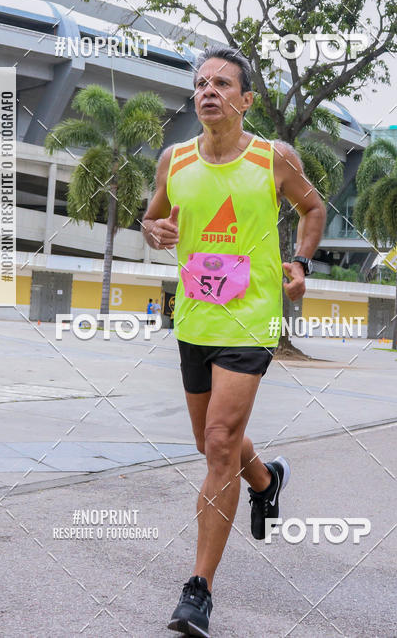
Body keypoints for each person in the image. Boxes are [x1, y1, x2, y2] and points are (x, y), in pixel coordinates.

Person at [142, 46, 326, 637]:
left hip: (251, 317)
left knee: (220, 441)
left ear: (246, 100)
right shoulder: (174, 160)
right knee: (208, 441)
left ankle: (197, 590)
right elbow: (152, 220)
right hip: (194, 319)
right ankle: (266, 481)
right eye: (201, 83)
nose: (208, 91)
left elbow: (313, 206)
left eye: (223, 83)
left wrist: (299, 261)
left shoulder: (274, 158)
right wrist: (155, 230)